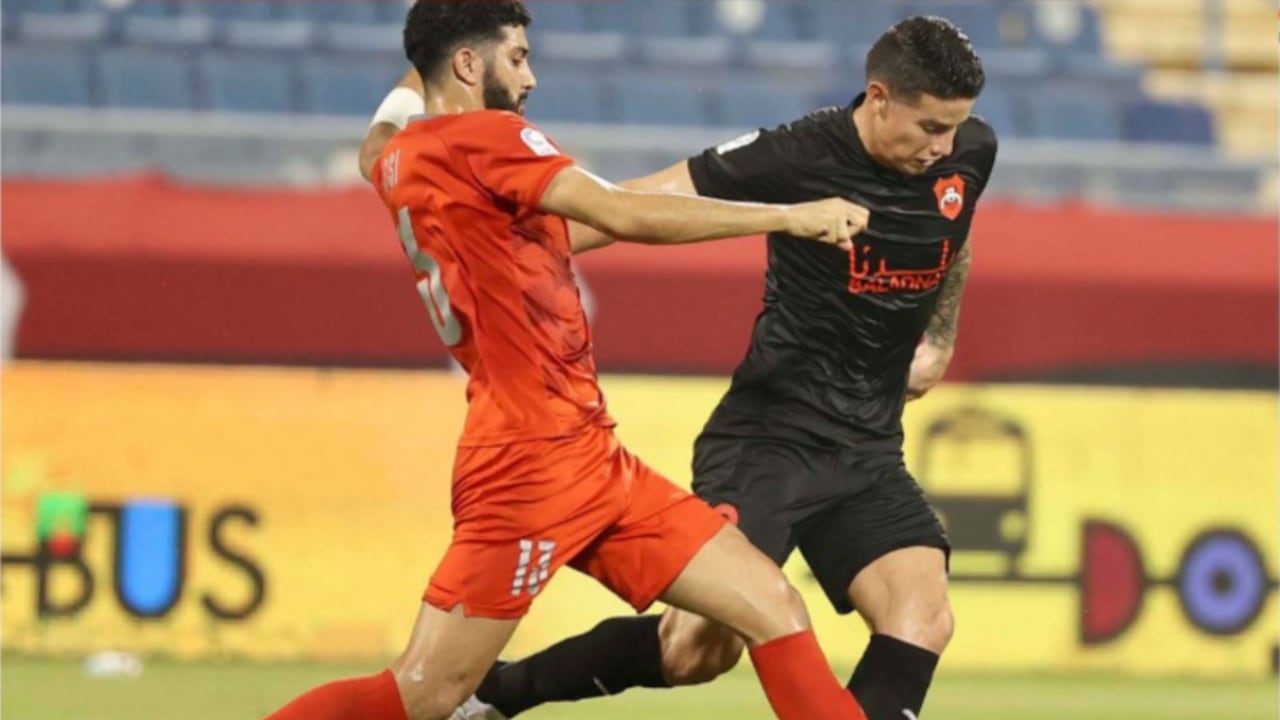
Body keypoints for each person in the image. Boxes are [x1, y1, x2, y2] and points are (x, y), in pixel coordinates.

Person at [266, 2, 874, 719]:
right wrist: (788, 216)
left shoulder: (399, 159)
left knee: (772, 605)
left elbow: (382, 130)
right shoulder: (484, 137)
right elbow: (616, 211)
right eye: (517, 56)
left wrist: (426, 48)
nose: (530, 76)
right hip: (530, 463)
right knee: (426, 692)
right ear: (468, 65)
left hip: (589, 455)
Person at [457, 14, 998, 720]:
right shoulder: (800, 152)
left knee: (922, 618)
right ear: (879, 97)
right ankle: (495, 694)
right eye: (931, 127)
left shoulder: (969, 154)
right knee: (697, 651)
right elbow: (641, 204)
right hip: (768, 440)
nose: (945, 147)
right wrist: (494, 255)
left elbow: (954, 238)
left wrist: (942, 336)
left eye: (956, 127)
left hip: (868, 449)